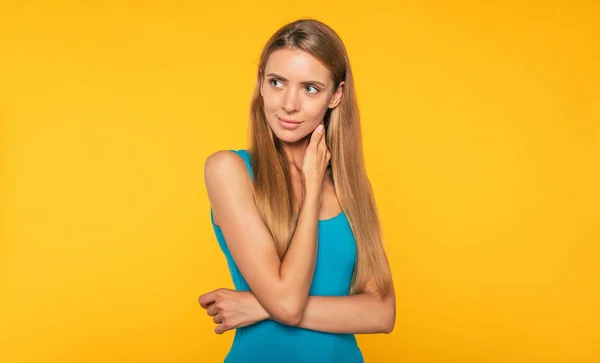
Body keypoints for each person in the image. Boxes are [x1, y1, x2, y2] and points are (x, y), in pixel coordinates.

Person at [199, 18, 396, 363]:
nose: (289, 104)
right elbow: (287, 305)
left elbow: (382, 313)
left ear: (336, 95)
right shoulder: (229, 170)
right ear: (260, 83)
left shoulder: (350, 184)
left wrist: (258, 306)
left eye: (310, 88)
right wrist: (313, 186)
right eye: (277, 82)